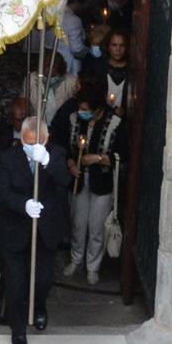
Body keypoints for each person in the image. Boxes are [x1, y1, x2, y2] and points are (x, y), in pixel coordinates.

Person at [0, 116, 71, 344]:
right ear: (21, 138)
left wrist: (47, 161)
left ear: (47, 139)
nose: (33, 146)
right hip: (15, 229)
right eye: (28, 142)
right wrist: (23, 204)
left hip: (45, 231)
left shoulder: (56, 153)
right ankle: (19, 329)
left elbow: (64, 179)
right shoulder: (7, 159)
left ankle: (39, 305)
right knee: (16, 282)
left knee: (43, 280)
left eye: (38, 142)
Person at [52, 80, 121, 286]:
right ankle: (76, 259)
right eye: (80, 108)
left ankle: (93, 266)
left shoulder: (114, 123)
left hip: (102, 182)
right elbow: (63, 146)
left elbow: (120, 155)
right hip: (79, 181)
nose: (81, 111)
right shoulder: (74, 119)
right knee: (78, 223)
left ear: (98, 109)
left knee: (97, 226)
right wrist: (71, 162)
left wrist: (98, 159)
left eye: (85, 109)